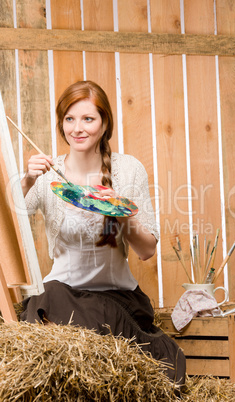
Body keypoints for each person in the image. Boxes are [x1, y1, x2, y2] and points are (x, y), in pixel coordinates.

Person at [20, 80, 186, 386]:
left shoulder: (128, 169)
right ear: (61, 123)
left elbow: (147, 249)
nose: (77, 128)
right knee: (52, 302)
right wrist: (27, 180)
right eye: (69, 119)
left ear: (104, 123)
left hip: (117, 300)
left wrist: (119, 214)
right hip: (62, 297)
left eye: (88, 119)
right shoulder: (47, 174)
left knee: (166, 367)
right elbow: (14, 218)